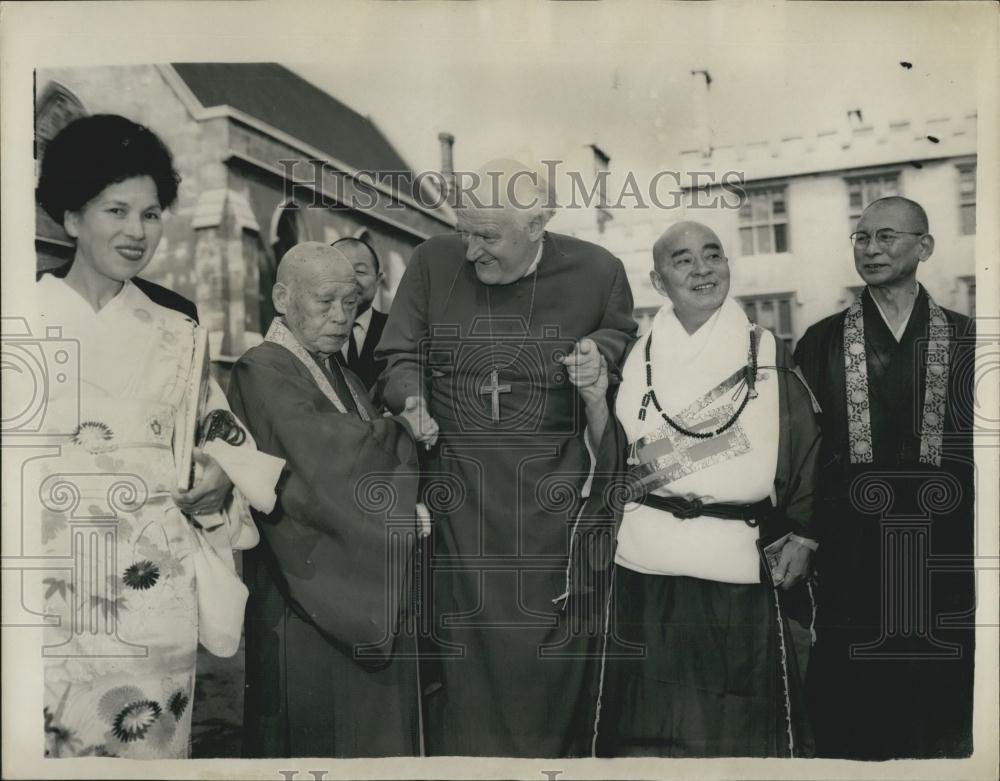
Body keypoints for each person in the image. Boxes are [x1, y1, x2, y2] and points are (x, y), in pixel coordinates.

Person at [34, 114, 280, 759]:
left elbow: (221, 431)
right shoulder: (20, 317)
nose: (136, 231)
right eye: (116, 210)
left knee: (148, 744)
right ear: (71, 216)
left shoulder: (178, 326)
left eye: (150, 213)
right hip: (47, 578)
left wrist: (222, 476)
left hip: (153, 578)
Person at [375, 159, 637, 757]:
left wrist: (599, 353)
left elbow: (619, 339)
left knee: (547, 661)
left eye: (488, 236)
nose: (469, 252)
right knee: (464, 666)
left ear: (539, 223)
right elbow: (398, 357)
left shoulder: (599, 270)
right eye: (465, 230)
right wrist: (411, 399)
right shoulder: (431, 261)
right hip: (458, 500)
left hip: (552, 504)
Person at [579, 221, 821, 757]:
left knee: (737, 725)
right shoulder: (634, 355)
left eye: (713, 255)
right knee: (646, 723)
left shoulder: (766, 350)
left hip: (734, 560)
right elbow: (619, 460)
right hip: (646, 560)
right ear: (658, 280)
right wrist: (596, 401)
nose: (702, 269)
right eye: (683, 260)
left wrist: (805, 537)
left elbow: (806, 449)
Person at [226, 241, 439, 757]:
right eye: (325, 302)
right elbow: (321, 460)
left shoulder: (338, 373)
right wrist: (401, 432)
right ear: (282, 297)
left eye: (351, 303)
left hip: (356, 579)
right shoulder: (262, 368)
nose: (342, 317)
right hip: (304, 590)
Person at [794, 196, 975, 759]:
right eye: (862, 237)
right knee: (853, 710)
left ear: (925, 247)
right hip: (851, 550)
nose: (871, 249)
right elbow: (803, 453)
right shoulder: (820, 342)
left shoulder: (968, 340)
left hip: (944, 552)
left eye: (887, 236)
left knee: (940, 706)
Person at [332, 236, 389, 391]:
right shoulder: (307, 333)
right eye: (339, 270)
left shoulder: (398, 330)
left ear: (378, 281)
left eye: (360, 271)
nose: (351, 279)